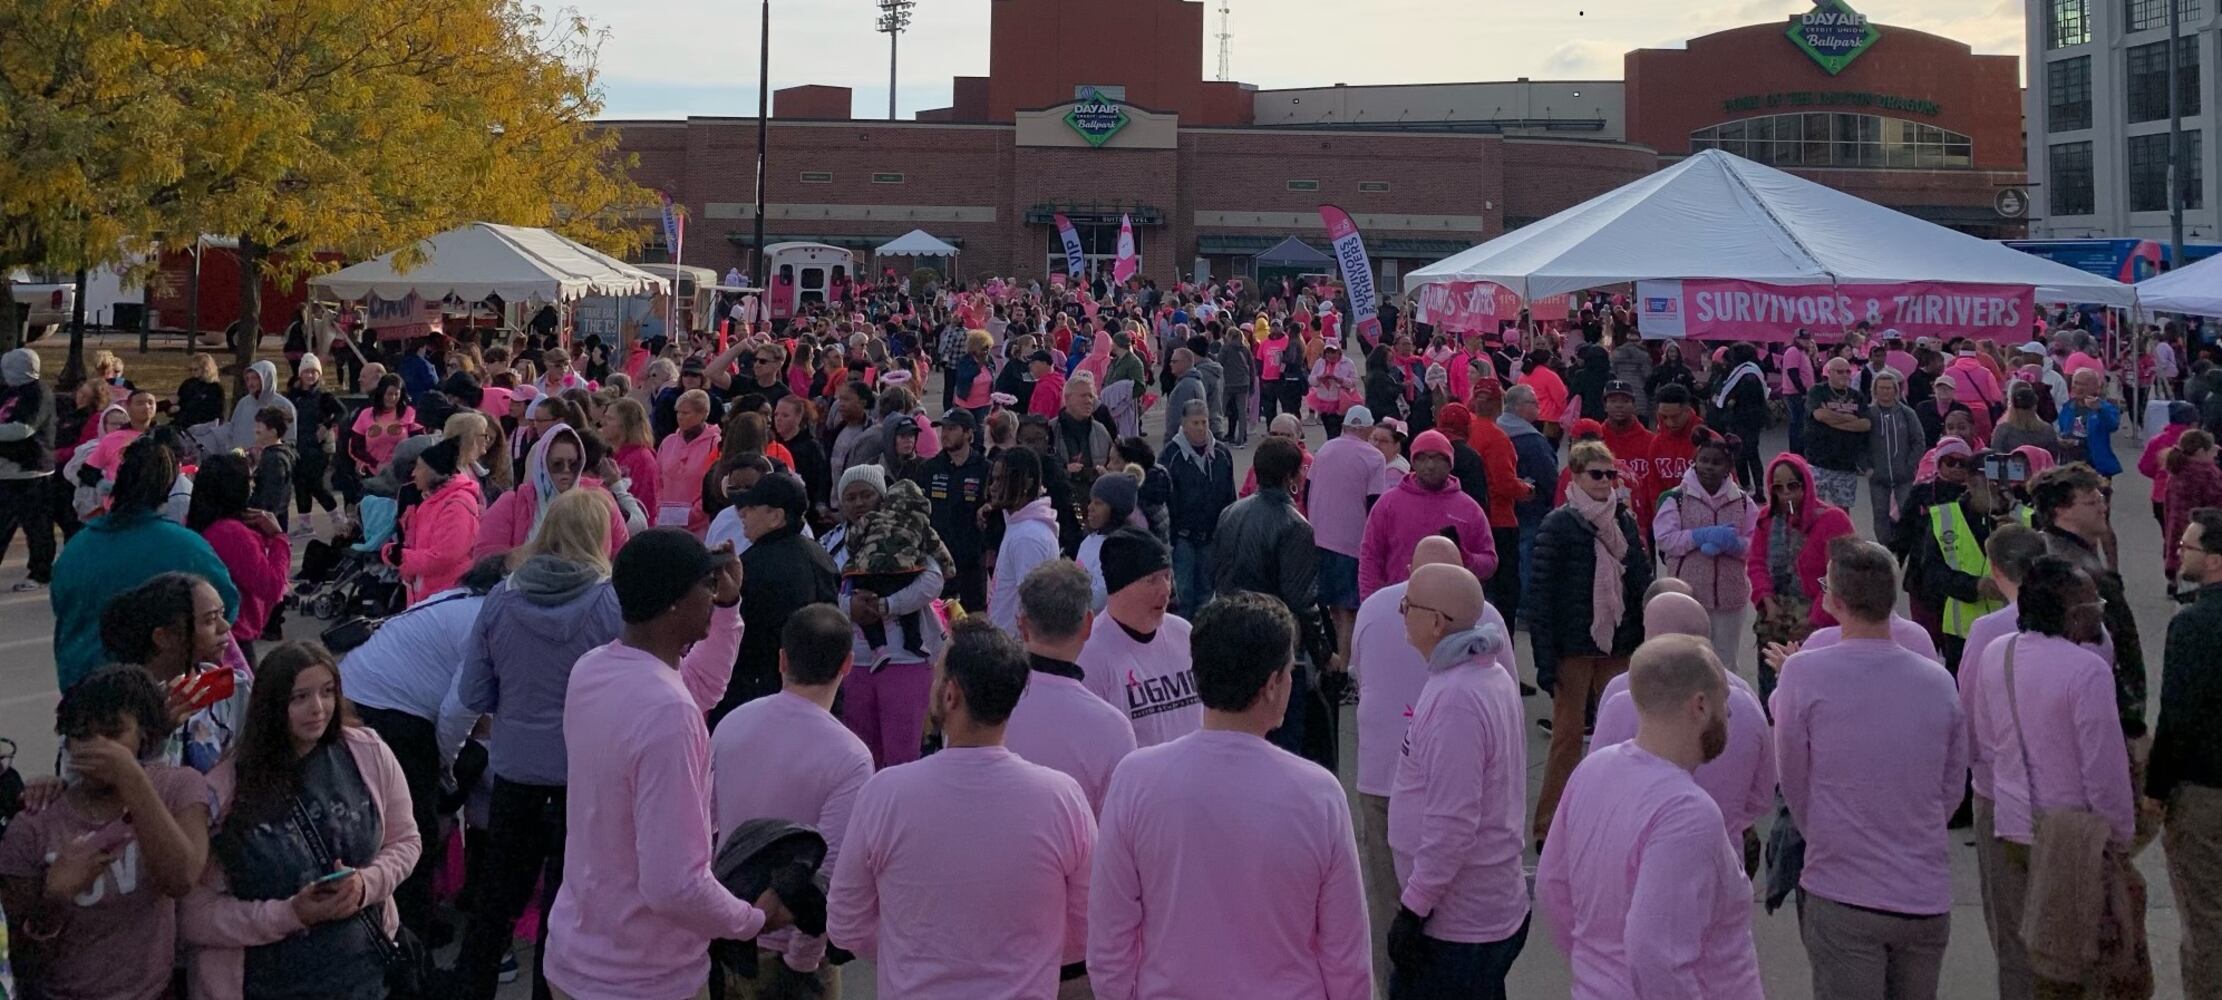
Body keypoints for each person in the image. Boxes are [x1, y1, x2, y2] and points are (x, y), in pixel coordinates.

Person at [1087, 592, 1372, 1000]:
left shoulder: (1136, 779)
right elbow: (1347, 955)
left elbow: (1109, 940)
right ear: (1273, 684)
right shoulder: (1317, 794)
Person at [542, 528, 780, 1000]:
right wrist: (753, 918)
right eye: (705, 587)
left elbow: (697, 685)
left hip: (574, 956)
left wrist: (729, 611)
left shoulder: (593, 669)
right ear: (675, 601)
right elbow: (674, 885)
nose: (712, 595)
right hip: (642, 979)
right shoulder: (669, 713)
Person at [827, 619, 1096, 1000]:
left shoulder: (886, 794)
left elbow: (845, 924)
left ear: (950, 695)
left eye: (936, 675)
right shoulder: (1061, 798)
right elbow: (1088, 923)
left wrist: (909, 951)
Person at [1775, 538, 1967, 1000]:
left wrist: (1825, 833)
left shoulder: (1802, 673)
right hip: (1923, 892)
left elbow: (1792, 777)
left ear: (1835, 600)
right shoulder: (1938, 680)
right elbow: (1953, 784)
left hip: (1843, 887)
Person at [450, 488, 621, 1000]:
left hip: (516, 766)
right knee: (565, 898)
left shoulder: (501, 597)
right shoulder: (611, 604)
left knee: (497, 894)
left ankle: (471, 987)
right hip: (581, 773)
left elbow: (472, 691)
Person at [182, 641, 422, 1000]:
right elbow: (192, 915)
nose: (318, 709)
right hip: (267, 983)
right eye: (300, 698)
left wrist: (365, 885)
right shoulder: (223, 791)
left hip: (366, 976)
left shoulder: (367, 752)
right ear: (271, 705)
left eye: (328, 693)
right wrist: (289, 914)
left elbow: (406, 841)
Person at [1535, 635, 1763, 999]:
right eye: (1725, 704)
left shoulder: (1593, 769)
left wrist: (1596, 971)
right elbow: (1655, 952)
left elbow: (1551, 884)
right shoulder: (1687, 813)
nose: (1729, 716)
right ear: (1700, 706)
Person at [1970, 555, 2143, 997]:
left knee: (2023, 952)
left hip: (2010, 828)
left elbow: (1987, 736)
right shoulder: (2087, 671)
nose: (2101, 608)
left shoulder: (1998, 652)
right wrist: (2120, 840)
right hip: (2073, 840)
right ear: (2071, 614)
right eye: (2092, 602)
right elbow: (2103, 772)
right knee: (2078, 965)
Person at [0, 665, 211, 1000]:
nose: (99, 748)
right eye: (82, 735)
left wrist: (133, 780)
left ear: (144, 734)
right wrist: (54, 898)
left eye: (113, 734)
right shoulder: (34, 824)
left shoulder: (177, 789)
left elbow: (181, 878)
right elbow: (22, 966)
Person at [709, 602, 870, 996]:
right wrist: (803, 962)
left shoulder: (731, 724)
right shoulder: (850, 758)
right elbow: (827, 873)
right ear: (847, 665)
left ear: (782, 659)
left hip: (727, 933)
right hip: (790, 953)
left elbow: (706, 828)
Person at [1384, 563, 1528, 999]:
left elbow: (1453, 824)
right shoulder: (1484, 673)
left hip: (1458, 927)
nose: (1401, 612)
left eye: (1407, 606)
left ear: (1436, 623)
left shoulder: (1457, 701)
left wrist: (1413, 909)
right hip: (1479, 912)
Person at [1525, 441, 1653, 846]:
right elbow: (1541, 597)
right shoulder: (1559, 524)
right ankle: (1550, 827)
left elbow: (1641, 582)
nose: (1604, 482)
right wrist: (1544, 660)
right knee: (1566, 737)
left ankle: (1617, 817)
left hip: (1618, 643)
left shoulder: (1623, 520)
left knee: (1623, 737)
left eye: (1609, 475)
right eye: (1595, 474)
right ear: (1576, 476)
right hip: (1574, 646)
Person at [1590, 593, 1775, 861]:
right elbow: (1762, 797)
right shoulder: (1745, 698)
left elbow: (1600, 787)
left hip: (1634, 857)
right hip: (1725, 856)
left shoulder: (1623, 695)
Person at [50, 437, 239, 690]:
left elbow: (61, 608)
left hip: (81, 685)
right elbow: (227, 607)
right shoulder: (186, 547)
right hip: (154, 693)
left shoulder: (75, 549)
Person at [1213, 436, 1340, 762]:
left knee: (1239, 739)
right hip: (1276, 646)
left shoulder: (1230, 512)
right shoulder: (1294, 525)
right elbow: (1302, 601)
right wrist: (1324, 653)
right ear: (1292, 478)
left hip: (1232, 639)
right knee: (1284, 745)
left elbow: (1220, 576)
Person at [1005, 559, 1139, 814]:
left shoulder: (982, 706)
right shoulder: (1112, 728)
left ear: (1021, 625)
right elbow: (1117, 828)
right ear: (1088, 624)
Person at [834, 478, 949, 768]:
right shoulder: (832, 543)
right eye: (850, 497)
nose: (859, 503)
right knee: (860, 757)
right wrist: (850, 606)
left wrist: (887, 605)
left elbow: (933, 581)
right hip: (852, 664)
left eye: (867, 495)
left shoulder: (909, 528)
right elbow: (823, 591)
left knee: (903, 756)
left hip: (907, 662)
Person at [2031, 463, 2148, 742]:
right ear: (2061, 510)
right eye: (2091, 501)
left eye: (2102, 498)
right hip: (2093, 714)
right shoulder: (2082, 575)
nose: (2103, 507)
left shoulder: (2040, 550)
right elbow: (2123, 652)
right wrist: (2132, 724)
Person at [2155, 507, 2222, 989]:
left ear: (2215, 561)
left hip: (2204, 794)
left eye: (2189, 547)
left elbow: (2175, 717)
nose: (2180, 552)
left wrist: (2154, 791)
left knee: (2207, 923)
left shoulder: (2194, 626)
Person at [722, 470, 840, 722]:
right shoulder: (822, 557)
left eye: (752, 507)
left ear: (776, 516)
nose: (742, 513)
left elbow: (738, 639)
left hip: (759, 697)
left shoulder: (752, 566)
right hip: (821, 694)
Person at [1079, 527, 1201, 748]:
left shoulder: (1184, 634)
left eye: (1167, 576)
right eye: (1152, 580)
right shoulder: (1090, 654)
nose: (1166, 590)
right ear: (1120, 587)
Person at [1747, 453, 1855, 702]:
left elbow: (1840, 575)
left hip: (1819, 623)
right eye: (1778, 488)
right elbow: (1756, 563)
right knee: (1772, 695)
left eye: (1793, 486)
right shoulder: (1767, 519)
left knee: (1813, 695)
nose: (1786, 494)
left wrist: (1813, 622)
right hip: (1774, 620)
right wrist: (1766, 601)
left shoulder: (1833, 520)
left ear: (1806, 484)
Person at [1653, 428, 1761, 671]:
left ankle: (1724, 707)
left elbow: (1757, 542)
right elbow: (1665, 539)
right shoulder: (1677, 499)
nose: (1709, 467)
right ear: (1694, 461)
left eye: (1717, 463)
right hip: (1689, 594)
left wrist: (1736, 545)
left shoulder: (1743, 501)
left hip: (1730, 597)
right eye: (1704, 460)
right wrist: (1698, 536)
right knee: (1690, 661)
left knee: (1725, 664)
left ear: (1728, 467)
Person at [1358, 429, 1497, 600]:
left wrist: (1466, 559)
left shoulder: (1469, 509)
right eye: (1422, 458)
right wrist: (1371, 602)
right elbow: (1370, 556)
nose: (1430, 466)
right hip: (1399, 606)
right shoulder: (1388, 504)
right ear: (1413, 463)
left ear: (1450, 463)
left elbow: (1489, 562)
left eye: (1437, 458)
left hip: (1452, 610)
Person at [186, 452, 291, 652]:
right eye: (249, 479)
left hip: (211, 632)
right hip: (235, 634)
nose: (252, 485)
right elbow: (272, 586)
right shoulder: (231, 533)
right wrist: (279, 539)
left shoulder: (202, 524)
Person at [1161, 399, 1234, 617]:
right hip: (1182, 537)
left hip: (1211, 537)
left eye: (1204, 422)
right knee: (1183, 593)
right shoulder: (1171, 456)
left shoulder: (1221, 454)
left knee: (1206, 593)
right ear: (1183, 424)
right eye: (1195, 423)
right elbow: (1164, 501)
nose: (1201, 428)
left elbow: (1229, 496)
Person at [393, 438, 482, 606]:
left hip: (446, 598)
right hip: (427, 595)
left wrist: (402, 557)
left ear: (434, 472)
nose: (413, 473)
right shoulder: (430, 501)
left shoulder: (456, 505)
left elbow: (445, 555)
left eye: (419, 467)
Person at [986, 447, 1062, 637]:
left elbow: (1032, 607)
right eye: (993, 479)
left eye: (1001, 480)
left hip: (1014, 654)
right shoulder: (1019, 526)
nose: (992, 487)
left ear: (1027, 483)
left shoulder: (1028, 537)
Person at [921, 408, 991, 610]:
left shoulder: (985, 468)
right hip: (937, 561)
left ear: (969, 433)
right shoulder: (930, 468)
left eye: (952, 429)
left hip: (971, 562)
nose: (945, 434)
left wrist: (988, 506)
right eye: (943, 429)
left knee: (973, 619)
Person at [0, 348, 55, 591]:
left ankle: (40, 573)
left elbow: (23, 429)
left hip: (31, 470)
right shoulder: (8, 392)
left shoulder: (38, 392)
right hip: (5, 470)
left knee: (37, 525)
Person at [1499, 384, 1558, 602]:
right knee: (1528, 556)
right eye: (1534, 403)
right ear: (1520, 407)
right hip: (1530, 508)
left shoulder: (1497, 431)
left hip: (1502, 507)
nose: (1538, 407)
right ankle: (1526, 604)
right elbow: (1549, 476)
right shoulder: (1531, 439)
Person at [1867, 370, 1928, 542]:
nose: (1885, 392)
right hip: (1878, 476)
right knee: (1880, 514)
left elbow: (1919, 441)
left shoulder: (1907, 413)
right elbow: (1858, 444)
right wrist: (1866, 467)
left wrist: (1910, 465)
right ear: (1875, 391)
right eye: (1881, 388)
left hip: (1903, 475)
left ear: (1895, 390)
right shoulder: (1868, 414)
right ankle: (1884, 548)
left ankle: (1907, 545)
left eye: (1889, 388)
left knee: (1907, 511)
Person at [286, 354, 345, 533]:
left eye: (314, 372)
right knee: (301, 484)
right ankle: (305, 524)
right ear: (300, 374)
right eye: (307, 372)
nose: (311, 376)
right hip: (298, 446)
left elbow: (342, 412)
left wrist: (326, 426)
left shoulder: (323, 396)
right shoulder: (292, 396)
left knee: (315, 484)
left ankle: (337, 517)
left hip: (319, 449)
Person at [1805, 357, 1872, 512]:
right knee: (1815, 508)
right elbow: (1819, 415)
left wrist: (1833, 419)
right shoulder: (1817, 391)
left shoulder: (1857, 396)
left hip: (1846, 464)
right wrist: (1849, 418)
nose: (1844, 375)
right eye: (1839, 371)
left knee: (1842, 511)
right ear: (1829, 372)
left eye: (1847, 371)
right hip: (1818, 462)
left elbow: (1866, 424)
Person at [599, 396, 660, 525]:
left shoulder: (642, 459)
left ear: (626, 425)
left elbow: (645, 506)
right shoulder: (609, 453)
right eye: (604, 417)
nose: (602, 422)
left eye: (609, 419)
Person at [2056, 368, 2122, 476]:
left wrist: (2100, 410)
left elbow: (2113, 425)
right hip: (2070, 463)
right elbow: (2062, 428)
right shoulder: (2068, 406)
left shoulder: (2104, 407)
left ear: (2095, 387)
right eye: (2075, 383)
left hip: (2095, 464)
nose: (2077, 388)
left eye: (2082, 384)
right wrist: (2061, 440)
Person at [226, 360, 296, 452]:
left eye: (255, 378)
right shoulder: (243, 403)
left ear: (267, 378)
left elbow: (290, 441)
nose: (250, 383)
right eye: (248, 379)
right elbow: (231, 432)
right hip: (241, 461)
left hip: (270, 461)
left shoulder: (284, 406)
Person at [1163, 348, 1206, 443]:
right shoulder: (1192, 381)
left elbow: (1178, 419)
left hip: (1182, 442)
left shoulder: (1186, 386)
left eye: (1174, 361)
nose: (1170, 364)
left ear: (1185, 362)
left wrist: (1170, 441)